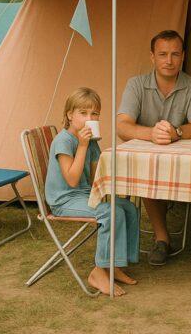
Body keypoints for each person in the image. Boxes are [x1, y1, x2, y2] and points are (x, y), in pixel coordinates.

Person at [117, 30, 191, 265]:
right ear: (152, 57)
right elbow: (122, 126)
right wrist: (152, 134)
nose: (169, 61)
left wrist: (176, 133)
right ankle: (162, 238)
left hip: (185, 160)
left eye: (175, 54)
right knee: (146, 170)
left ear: (183, 56)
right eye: (163, 54)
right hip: (151, 162)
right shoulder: (136, 84)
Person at [45, 87, 139, 296]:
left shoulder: (91, 141)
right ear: (70, 115)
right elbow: (71, 179)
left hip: (84, 195)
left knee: (129, 208)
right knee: (110, 212)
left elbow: (95, 176)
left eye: (94, 114)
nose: (90, 118)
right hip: (64, 200)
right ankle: (98, 271)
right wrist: (82, 145)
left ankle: (115, 265)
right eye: (83, 113)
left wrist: (101, 155)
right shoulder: (64, 141)